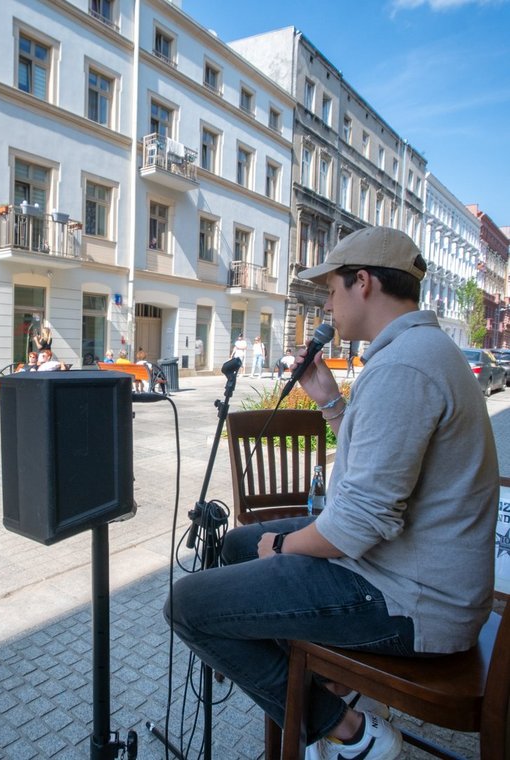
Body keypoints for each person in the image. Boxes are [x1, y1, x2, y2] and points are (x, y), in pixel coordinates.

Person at [165, 226, 498, 760]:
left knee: (186, 604)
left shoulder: (405, 366)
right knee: (232, 546)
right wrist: (330, 403)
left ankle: (348, 729)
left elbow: (357, 526)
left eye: (332, 289)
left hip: (412, 601)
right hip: (409, 570)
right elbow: (382, 471)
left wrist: (282, 549)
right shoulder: (422, 351)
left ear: (362, 282)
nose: (326, 303)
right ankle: (328, 682)